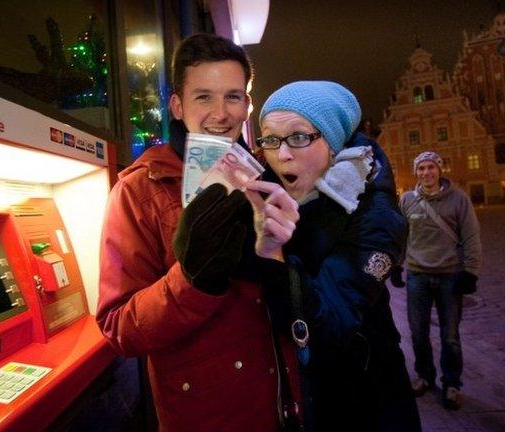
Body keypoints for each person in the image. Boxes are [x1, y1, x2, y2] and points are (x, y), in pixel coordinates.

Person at [96, 33, 300, 432]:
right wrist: (192, 280)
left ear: (247, 104)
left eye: (233, 96)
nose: (221, 114)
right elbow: (118, 328)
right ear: (177, 105)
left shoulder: (267, 174)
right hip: (207, 415)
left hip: (281, 398)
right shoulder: (139, 191)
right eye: (204, 97)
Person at [246, 81, 421, 431]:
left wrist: (271, 254)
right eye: (270, 139)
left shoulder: (376, 217)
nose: (281, 155)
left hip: (365, 403)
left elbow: (325, 328)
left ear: (334, 142)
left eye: (298, 137)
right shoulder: (268, 192)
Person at [399, 151, 481, 410]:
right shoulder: (407, 200)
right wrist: (395, 264)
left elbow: (471, 237)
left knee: (450, 336)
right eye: (421, 168)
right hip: (417, 275)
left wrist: (471, 272)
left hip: (450, 275)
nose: (426, 173)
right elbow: (401, 236)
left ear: (439, 170)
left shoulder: (458, 199)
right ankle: (424, 375)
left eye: (431, 167)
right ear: (416, 172)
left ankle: (452, 383)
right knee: (418, 333)